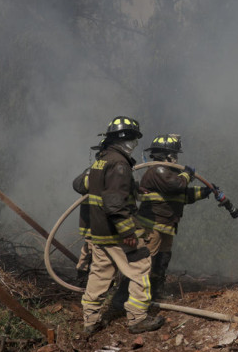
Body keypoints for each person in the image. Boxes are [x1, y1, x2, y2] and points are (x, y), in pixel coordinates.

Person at [73, 116, 165, 337]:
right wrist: (128, 233)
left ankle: (90, 322)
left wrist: (132, 189)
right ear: (125, 139)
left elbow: (103, 189)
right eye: (133, 139)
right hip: (116, 233)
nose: (134, 144)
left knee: (99, 274)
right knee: (141, 267)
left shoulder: (101, 161)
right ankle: (137, 319)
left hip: (100, 231)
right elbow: (114, 203)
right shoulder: (120, 163)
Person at [134, 134, 218, 300]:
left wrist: (206, 191)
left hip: (166, 225)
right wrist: (187, 174)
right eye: (175, 154)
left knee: (162, 260)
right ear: (167, 154)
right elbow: (176, 186)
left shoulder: (169, 173)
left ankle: (156, 293)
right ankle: (129, 298)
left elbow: (182, 196)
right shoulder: (157, 170)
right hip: (152, 226)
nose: (176, 158)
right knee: (144, 263)